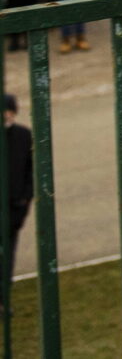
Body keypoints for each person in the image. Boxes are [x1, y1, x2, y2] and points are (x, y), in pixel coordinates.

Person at [3, 93, 30, 320]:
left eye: (9, 111)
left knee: (7, 258)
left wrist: (23, 202)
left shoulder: (23, 136)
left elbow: (31, 173)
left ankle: (3, 300)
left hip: (13, 209)